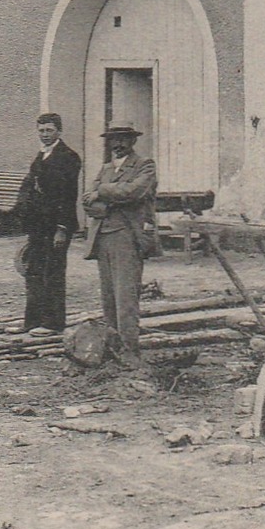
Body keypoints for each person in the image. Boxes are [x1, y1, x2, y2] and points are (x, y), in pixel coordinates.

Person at [82, 124, 158, 368]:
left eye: (123, 140)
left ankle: (130, 353)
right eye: (114, 140)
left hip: (127, 236)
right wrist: (106, 200)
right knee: (108, 298)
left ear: (132, 142)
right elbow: (87, 202)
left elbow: (134, 192)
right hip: (102, 236)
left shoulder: (145, 165)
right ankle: (112, 349)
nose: (118, 144)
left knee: (126, 297)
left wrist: (102, 193)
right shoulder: (105, 169)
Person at [15, 113, 83, 333]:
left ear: (59, 132)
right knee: (34, 271)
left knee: (52, 272)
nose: (44, 135)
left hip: (56, 226)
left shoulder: (68, 157)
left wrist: (62, 229)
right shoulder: (40, 156)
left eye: (49, 130)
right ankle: (32, 321)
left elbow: (68, 195)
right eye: (41, 130)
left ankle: (52, 323)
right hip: (38, 225)